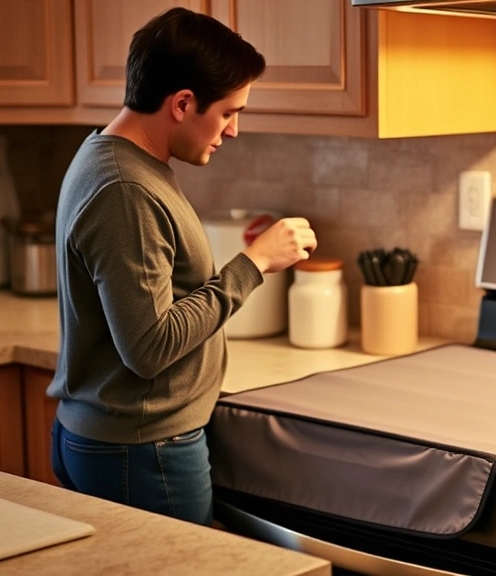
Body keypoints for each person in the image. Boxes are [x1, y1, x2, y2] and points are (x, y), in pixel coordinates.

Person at [48, 7, 317, 526]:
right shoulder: (125, 189)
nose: (233, 130)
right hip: (143, 450)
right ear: (183, 103)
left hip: (118, 441)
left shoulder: (108, 157)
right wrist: (255, 262)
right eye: (228, 112)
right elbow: (149, 348)